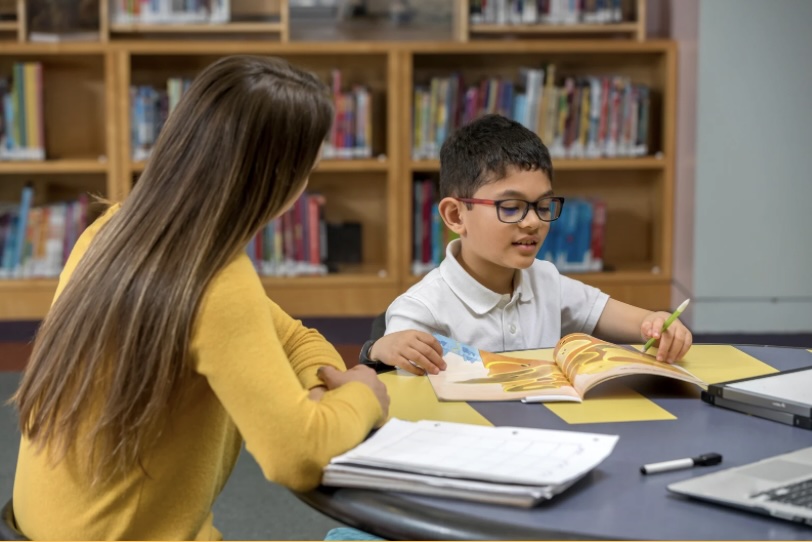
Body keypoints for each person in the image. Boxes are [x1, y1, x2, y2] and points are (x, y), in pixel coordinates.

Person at [10, 55, 389, 540]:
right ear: (281, 178)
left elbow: (290, 335)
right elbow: (300, 456)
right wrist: (363, 393)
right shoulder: (216, 282)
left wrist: (317, 387)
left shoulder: (113, 230)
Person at [362, 114, 692, 375]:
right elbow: (392, 357)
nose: (533, 222)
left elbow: (627, 319)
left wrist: (658, 324)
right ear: (455, 215)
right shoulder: (422, 307)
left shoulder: (545, 279)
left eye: (543, 206)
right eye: (511, 207)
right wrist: (383, 347)